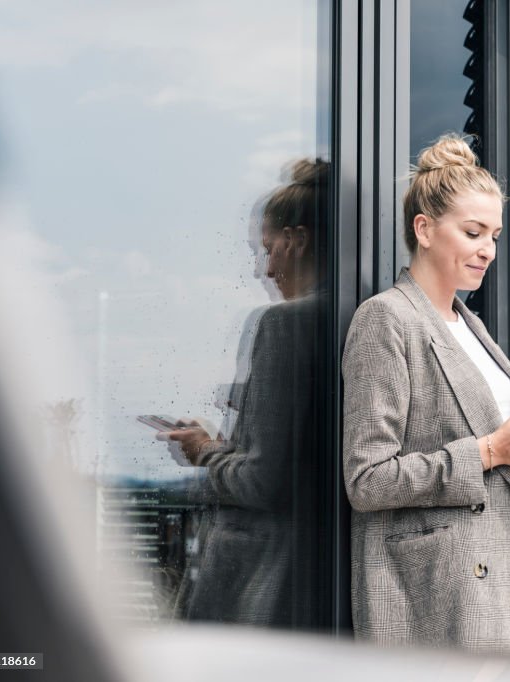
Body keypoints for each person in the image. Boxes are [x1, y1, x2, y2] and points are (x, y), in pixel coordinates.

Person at [342, 133, 510, 656]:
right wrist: (493, 451)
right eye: (474, 232)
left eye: (494, 236)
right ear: (424, 229)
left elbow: (491, 433)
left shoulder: (471, 326)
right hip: (457, 582)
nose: (488, 250)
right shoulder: (386, 319)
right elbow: (367, 480)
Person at [159, 158, 329, 628]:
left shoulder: (286, 325)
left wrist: (204, 451)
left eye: (269, 249)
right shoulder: (359, 315)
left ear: (297, 240)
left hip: (267, 585)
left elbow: (263, 482)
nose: (263, 268)